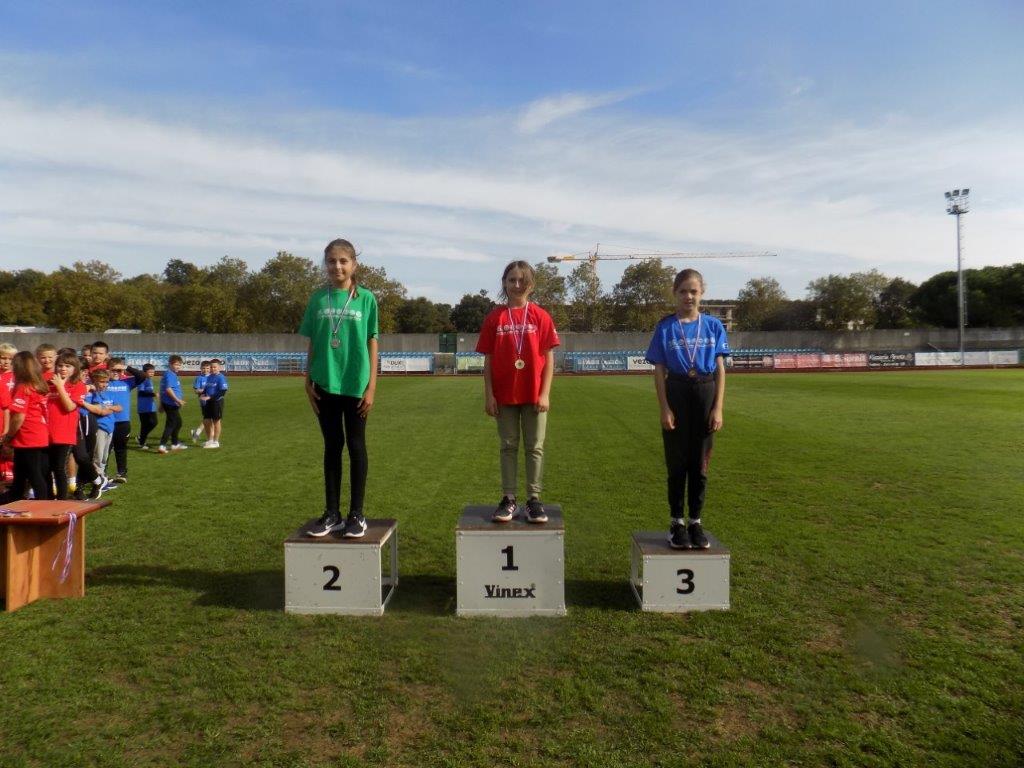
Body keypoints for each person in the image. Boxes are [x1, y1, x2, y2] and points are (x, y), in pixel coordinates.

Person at [299, 238, 379, 538]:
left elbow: (372, 342)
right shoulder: (318, 299)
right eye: (331, 261)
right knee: (332, 447)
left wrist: (371, 387)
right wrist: (307, 379)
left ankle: (357, 514)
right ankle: (332, 513)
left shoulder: (366, 299)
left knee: (356, 446)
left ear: (354, 264)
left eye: (343, 261)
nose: (337, 266)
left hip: (356, 384)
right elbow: (313, 342)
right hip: (324, 383)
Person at [645, 268, 729, 550]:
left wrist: (718, 407)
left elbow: (720, 369)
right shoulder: (666, 327)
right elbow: (659, 371)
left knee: (700, 464)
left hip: (705, 392)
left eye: (694, 291)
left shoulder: (713, 326)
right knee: (677, 463)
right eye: (683, 291)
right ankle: (676, 522)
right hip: (676, 391)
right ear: (675, 293)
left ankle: (695, 521)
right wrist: (664, 408)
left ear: (702, 293)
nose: (688, 296)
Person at [476, 260, 560, 523]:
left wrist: (545, 393)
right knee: (508, 446)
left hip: (534, 394)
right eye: (511, 280)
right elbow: (488, 360)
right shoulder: (495, 318)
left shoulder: (541, 316)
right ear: (504, 283)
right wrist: (489, 394)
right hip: (504, 394)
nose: (517, 284)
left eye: (522, 280)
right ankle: (509, 498)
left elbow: (549, 358)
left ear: (531, 285)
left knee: (535, 447)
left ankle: (534, 499)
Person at [0, 351, 51, 502]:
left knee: (34, 474)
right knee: (21, 472)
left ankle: (43, 504)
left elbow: (19, 417)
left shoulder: (23, 387)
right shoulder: (38, 385)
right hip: (38, 433)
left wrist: (8, 436)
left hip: (28, 436)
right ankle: (14, 497)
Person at [47, 352, 88, 499]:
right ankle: (49, 498)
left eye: (68, 366)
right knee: (46, 468)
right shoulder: (49, 384)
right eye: (60, 365)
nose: (63, 369)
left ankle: (62, 500)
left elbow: (69, 407)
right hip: (46, 433)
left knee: (58, 468)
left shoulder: (78, 386)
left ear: (75, 368)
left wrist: (60, 387)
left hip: (64, 434)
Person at [104, 357, 145, 483]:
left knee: (120, 448)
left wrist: (126, 367)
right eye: (113, 370)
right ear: (108, 370)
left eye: (119, 370)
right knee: (105, 449)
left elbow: (142, 376)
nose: (116, 372)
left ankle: (121, 473)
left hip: (122, 422)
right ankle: (102, 474)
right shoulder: (103, 382)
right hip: (106, 421)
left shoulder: (127, 382)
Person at [84, 369, 121, 490]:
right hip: (99, 428)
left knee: (105, 456)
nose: (105, 384)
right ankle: (98, 481)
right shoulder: (91, 394)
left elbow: (119, 407)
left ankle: (102, 477)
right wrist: (108, 409)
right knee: (98, 457)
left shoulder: (109, 393)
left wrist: (107, 408)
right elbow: (98, 411)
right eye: (102, 382)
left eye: (106, 382)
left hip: (110, 428)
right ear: (94, 381)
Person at [157, 355, 188, 454]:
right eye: (176, 364)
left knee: (178, 423)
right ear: (170, 364)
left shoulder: (169, 374)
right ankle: (162, 445)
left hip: (169, 403)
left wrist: (161, 404)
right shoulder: (170, 374)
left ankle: (174, 444)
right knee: (171, 424)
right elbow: (168, 389)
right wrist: (178, 400)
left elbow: (162, 390)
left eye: (179, 365)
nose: (178, 366)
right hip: (171, 403)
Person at [199, 358, 228, 448]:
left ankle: (216, 442)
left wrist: (210, 397)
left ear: (219, 367)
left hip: (217, 401)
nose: (212, 369)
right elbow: (206, 389)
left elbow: (223, 391)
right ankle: (209, 440)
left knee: (216, 421)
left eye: (215, 367)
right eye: (211, 367)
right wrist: (202, 394)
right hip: (208, 402)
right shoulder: (209, 377)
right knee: (206, 420)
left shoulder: (221, 377)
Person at [0, 343, 17, 486]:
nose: (6, 362)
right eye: (3, 358)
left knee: (10, 450)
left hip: (14, 417)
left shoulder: (17, 376)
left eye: (10, 359)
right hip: (2, 417)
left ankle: (12, 480)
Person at [135, 364, 158, 449]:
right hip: (143, 407)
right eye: (150, 372)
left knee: (154, 423)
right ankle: (142, 443)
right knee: (145, 425)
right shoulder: (142, 380)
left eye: (153, 372)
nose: (152, 374)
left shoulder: (149, 380)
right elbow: (141, 393)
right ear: (144, 372)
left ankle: (141, 437)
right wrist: (153, 394)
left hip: (151, 406)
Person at [190, 360, 211, 443]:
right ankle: (210, 438)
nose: (205, 370)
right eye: (204, 368)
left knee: (209, 418)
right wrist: (203, 390)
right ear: (201, 368)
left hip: (212, 399)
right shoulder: (199, 378)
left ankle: (197, 432)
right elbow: (196, 390)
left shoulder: (212, 377)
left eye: (207, 368)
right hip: (204, 400)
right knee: (208, 418)